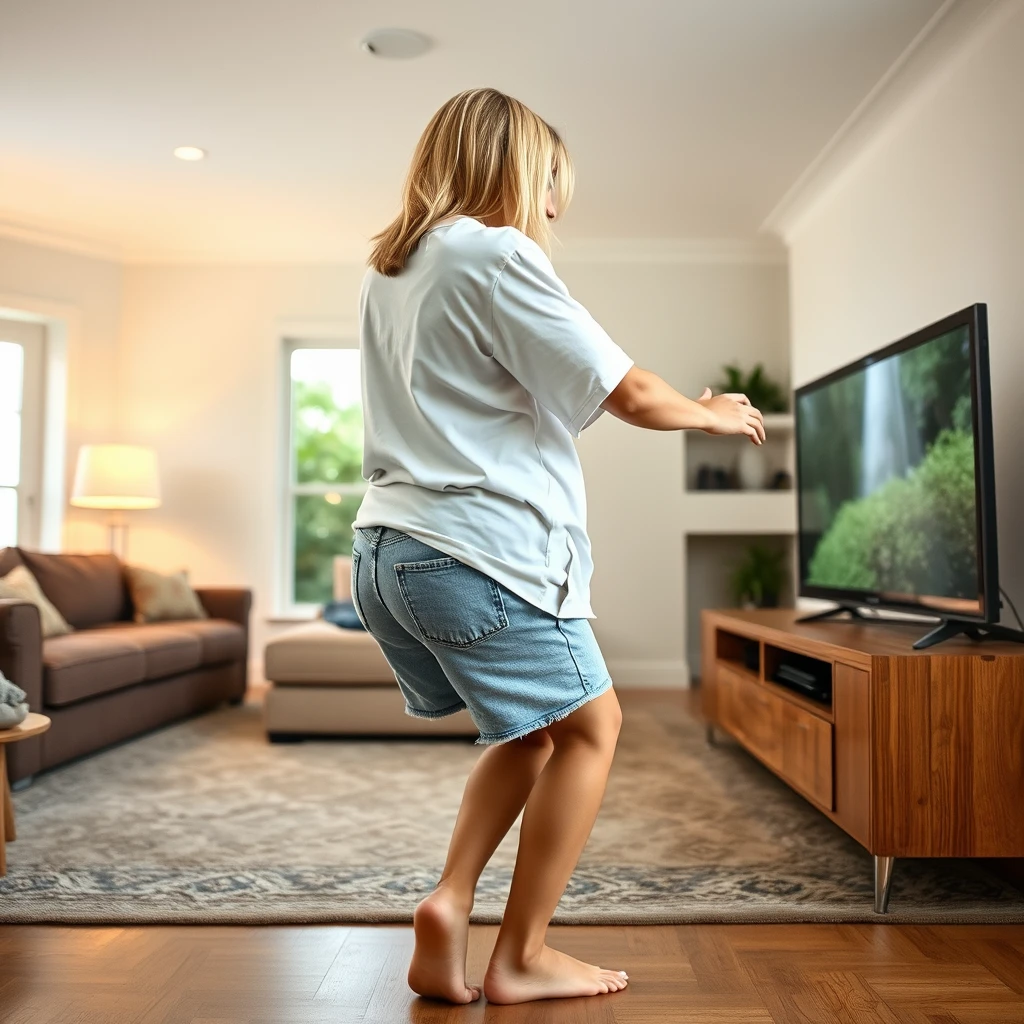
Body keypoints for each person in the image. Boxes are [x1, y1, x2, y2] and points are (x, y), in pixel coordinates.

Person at [350, 87, 766, 1006]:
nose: (551, 213)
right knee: (595, 726)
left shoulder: (393, 268)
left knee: (534, 731)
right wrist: (713, 413)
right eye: (548, 191)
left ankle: (450, 904)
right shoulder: (493, 253)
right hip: (477, 552)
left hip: (388, 550)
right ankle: (522, 954)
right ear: (516, 172)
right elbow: (628, 390)